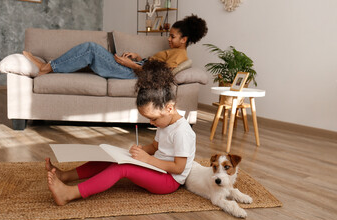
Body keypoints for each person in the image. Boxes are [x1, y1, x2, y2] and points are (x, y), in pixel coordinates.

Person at [46, 60, 196, 206]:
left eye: (153, 118)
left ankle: (69, 194)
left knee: (122, 168)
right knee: (111, 157)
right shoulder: (164, 123)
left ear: (169, 108)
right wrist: (141, 151)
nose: (151, 123)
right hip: (156, 169)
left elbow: (178, 168)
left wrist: (148, 160)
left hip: (169, 181)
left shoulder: (182, 132)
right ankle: (65, 175)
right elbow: (155, 147)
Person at [23, 14, 208, 78]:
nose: (169, 39)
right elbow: (152, 64)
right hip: (135, 67)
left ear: (184, 39)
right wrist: (136, 56)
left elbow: (159, 75)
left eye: (173, 36)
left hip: (133, 73)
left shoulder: (180, 56)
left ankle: (46, 67)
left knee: (90, 48)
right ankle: (48, 67)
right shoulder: (173, 51)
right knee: (91, 50)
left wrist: (131, 65)